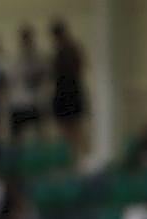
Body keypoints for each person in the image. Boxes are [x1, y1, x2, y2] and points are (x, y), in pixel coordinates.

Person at [50, 18, 88, 159]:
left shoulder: (70, 50)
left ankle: (80, 158)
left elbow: (80, 67)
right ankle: (74, 158)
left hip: (69, 91)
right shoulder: (68, 50)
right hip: (67, 91)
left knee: (75, 130)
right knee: (69, 131)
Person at [7, 25, 47, 142]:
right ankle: (17, 158)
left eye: (28, 37)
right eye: (24, 37)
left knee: (40, 135)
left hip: (35, 102)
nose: (26, 40)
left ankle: (43, 157)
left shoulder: (39, 57)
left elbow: (43, 77)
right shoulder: (15, 58)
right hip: (18, 103)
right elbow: (10, 80)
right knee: (16, 138)